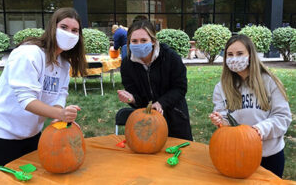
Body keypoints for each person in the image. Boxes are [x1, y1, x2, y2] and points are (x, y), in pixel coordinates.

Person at [0, 7, 87, 167]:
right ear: (53, 28)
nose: (69, 34)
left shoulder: (64, 64)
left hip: (32, 134)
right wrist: (61, 113)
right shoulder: (28, 54)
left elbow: (60, 94)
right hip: (2, 134)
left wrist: (58, 117)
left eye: (75, 31)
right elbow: (26, 100)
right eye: (64, 27)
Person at [209, 34, 291, 178]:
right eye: (230, 54)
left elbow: (283, 117)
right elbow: (224, 118)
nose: (234, 58)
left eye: (240, 53)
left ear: (250, 56)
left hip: (269, 155)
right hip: (236, 155)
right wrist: (220, 121)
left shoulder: (269, 82)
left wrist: (259, 130)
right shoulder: (221, 87)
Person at [117, 20, 193, 141]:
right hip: (148, 121)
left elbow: (180, 88)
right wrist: (132, 99)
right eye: (134, 41)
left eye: (143, 40)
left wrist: (161, 103)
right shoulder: (127, 65)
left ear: (152, 41)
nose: (139, 44)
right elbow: (136, 96)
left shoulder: (170, 57)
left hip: (175, 116)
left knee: (180, 153)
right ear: (129, 42)